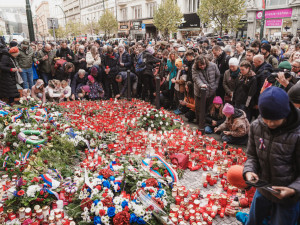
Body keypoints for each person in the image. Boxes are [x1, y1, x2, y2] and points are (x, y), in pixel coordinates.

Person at [243, 87, 300, 225]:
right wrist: (249, 171)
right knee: (253, 221)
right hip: (263, 189)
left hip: (288, 196)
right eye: (266, 119)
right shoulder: (256, 126)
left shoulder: (297, 134)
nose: (270, 123)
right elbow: (252, 156)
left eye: (275, 119)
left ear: (286, 113)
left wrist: (293, 189)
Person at [192, 55, 220, 125]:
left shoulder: (213, 66)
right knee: (199, 109)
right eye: (200, 65)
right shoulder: (194, 68)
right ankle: (200, 123)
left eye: (203, 65)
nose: (202, 67)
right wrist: (201, 85)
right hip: (200, 92)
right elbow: (196, 78)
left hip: (211, 91)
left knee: (209, 108)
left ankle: (207, 123)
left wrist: (215, 85)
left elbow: (218, 75)